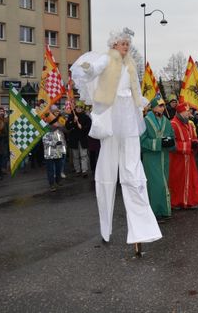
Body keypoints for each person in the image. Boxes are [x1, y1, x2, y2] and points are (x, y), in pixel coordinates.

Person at [71, 28, 161, 256]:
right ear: (114, 45)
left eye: (127, 44)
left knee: (132, 168)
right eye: (122, 43)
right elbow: (93, 72)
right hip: (112, 114)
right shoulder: (107, 59)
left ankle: (141, 226)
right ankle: (106, 227)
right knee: (107, 170)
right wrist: (87, 69)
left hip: (128, 114)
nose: (126, 46)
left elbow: (136, 90)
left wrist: (142, 101)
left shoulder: (130, 65)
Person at [141, 97, 175, 221]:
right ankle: (154, 212)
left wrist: (170, 142)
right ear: (154, 107)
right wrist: (160, 143)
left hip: (164, 157)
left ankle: (164, 210)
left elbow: (171, 136)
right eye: (160, 105)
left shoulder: (166, 120)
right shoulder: (145, 121)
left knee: (164, 183)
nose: (162, 108)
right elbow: (142, 141)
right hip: (151, 158)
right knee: (155, 184)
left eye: (163, 106)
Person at [169, 102, 198, 208]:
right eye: (186, 112)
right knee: (178, 181)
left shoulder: (189, 124)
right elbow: (172, 144)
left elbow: (194, 138)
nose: (188, 113)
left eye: (188, 111)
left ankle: (190, 200)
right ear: (180, 112)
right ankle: (179, 201)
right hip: (178, 160)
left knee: (191, 180)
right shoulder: (173, 124)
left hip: (189, 158)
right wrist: (189, 145)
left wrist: (195, 143)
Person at [66, 101, 92, 178]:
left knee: (83, 155)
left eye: (80, 107)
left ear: (82, 108)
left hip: (83, 139)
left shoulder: (86, 117)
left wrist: (83, 128)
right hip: (74, 139)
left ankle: (84, 170)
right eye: (77, 107)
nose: (78, 109)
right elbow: (67, 126)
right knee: (75, 156)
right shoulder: (71, 116)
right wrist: (74, 122)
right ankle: (77, 170)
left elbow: (89, 128)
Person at [42, 117, 66, 191]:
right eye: (56, 122)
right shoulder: (46, 131)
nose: (58, 123)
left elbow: (62, 141)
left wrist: (63, 151)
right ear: (53, 123)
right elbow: (45, 141)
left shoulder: (59, 131)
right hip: (49, 154)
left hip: (58, 153)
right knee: (50, 170)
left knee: (58, 169)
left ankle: (58, 181)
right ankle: (52, 184)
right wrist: (54, 143)